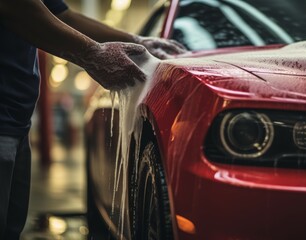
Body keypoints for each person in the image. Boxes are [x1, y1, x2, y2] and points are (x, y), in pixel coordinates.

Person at [0, 0, 187, 239]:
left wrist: (138, 42)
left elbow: (62, 15)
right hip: (5, 119)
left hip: (15, 121)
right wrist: (92, 53)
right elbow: (14, 6)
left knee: (9, 229)